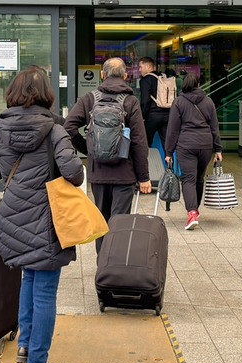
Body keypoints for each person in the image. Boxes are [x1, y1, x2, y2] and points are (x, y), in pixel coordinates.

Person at [0, 65, 84, 363]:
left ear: (13, 93)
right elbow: (75, 173)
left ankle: (25, 347)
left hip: (14, 219)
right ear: (46, 95)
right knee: (44, 291)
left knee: (28, 278)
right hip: (46, 220)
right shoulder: (55, 129)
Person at [64, 57, 152, 248]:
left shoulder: (89, 99)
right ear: (125, 76)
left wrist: (89, 150)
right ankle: (115, 262)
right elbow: (139, 142)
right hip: (124, 175)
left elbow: (68, 127)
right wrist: (144, 177)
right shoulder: (131, 101)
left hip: (99, 174)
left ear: (102, 75)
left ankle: (102, 262)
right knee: (119, 226)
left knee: (101, 224)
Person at [164, 72, 223, 230]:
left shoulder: (179, 102)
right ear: (198, 84)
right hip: (205, 145)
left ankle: (192, 213)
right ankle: (195, 209)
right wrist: (218, 149)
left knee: (188, 179)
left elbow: (173, 129)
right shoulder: (208, 101)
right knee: (199, 178)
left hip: (186, 145)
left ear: (184, 84)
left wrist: (169, 152)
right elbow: (214, 127)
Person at [138, 56, 170, 155]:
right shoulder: (163, 77)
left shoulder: (145, 80)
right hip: (167, 114)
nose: (139, 70)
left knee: (145, 143)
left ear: (148, 66)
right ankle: (169, 162)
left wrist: (142, 116)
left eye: (141, 67)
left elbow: (145, 101)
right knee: (167, 145)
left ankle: (147, 162)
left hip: (152, 116)